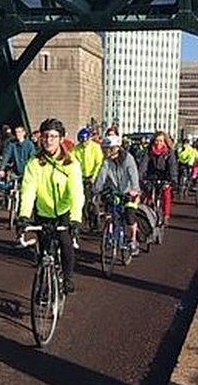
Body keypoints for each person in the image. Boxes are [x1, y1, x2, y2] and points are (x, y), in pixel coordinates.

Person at [17, 118, 83, 295]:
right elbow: (28, 191)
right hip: (43, 213)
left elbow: (76, 194)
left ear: (61, 139)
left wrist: (76, 219)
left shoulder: (71, 164)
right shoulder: (34, 163)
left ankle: (68, 278)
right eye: (45, 136)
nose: (49, 140)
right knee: (43, 251)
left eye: (53, 136)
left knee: (65, 243)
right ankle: (44, 283)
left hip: (64, 213)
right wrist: (23, 216)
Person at [93, 135, 142, 255]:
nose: (105, 151)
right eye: (103, 148)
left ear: (116, 148)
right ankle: (109, 235)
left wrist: (135, 189)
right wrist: (96, 190)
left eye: (107, 148)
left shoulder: (128, 159)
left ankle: (133, 240)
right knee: (110, 212)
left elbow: (133, 175)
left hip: (129, 193)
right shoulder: (107, 161)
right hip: (115, 193)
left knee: (130, 216)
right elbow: (101, 177)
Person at [138, 131, 177, 221]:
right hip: (151, 176)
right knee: (147, 195)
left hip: (165, 177)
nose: (158, 143)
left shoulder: (169, 153)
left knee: (166, 193)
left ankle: (166, 214)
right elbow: (143, 165)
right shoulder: (149, 151)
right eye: (156, 140)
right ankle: (147, 215)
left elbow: (172, 166)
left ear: (165, 142)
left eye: (161, 141)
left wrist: (172, 179)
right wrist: (141, 177)